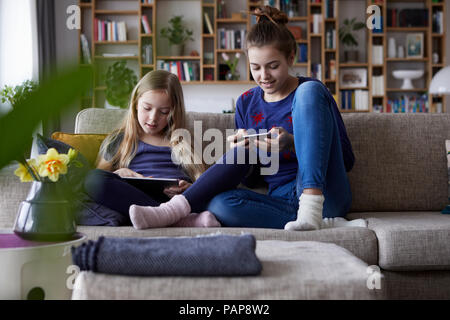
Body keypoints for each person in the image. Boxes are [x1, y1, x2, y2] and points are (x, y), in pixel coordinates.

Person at [124, 6, 366, 231]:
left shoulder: (311, 93)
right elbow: (253, 181)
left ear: (291, 58)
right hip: (283, 202)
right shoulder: (246, 103)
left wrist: (292, 142)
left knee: (310, 89)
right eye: (255, 67)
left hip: (326, 194)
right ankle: (323, 223)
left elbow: (346, 160)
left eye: (272, 66)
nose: (264, 76)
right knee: (219, 205)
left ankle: (313, 212)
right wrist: (243, 152)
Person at [83, 70, 220, 228]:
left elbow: (203, 181)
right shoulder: (119, 140)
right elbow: (99, 177)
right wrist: (118, 174)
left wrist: (190, 189)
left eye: (164, 112)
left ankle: (169, 216)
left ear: (174, 112)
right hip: (136, 200)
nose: (153, 118)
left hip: (176, 201)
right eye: (147, 108)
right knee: (93, 180)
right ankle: (177, 221)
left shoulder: (184, 141)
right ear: (135, 104)